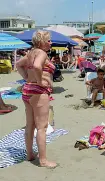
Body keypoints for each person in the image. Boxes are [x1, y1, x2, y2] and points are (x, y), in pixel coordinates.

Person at [16, 30, 58, 168]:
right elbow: (36, 66)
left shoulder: (30, 53)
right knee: (42, 127)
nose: (50, 43)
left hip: (27, 90)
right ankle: (43, 160)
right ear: (41, 42)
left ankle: (29, 154)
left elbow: (18, 65)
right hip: (38, 91)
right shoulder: (41, 53)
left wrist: (27, 79)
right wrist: (39, 82)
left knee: (30, 125)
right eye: (48, 40)